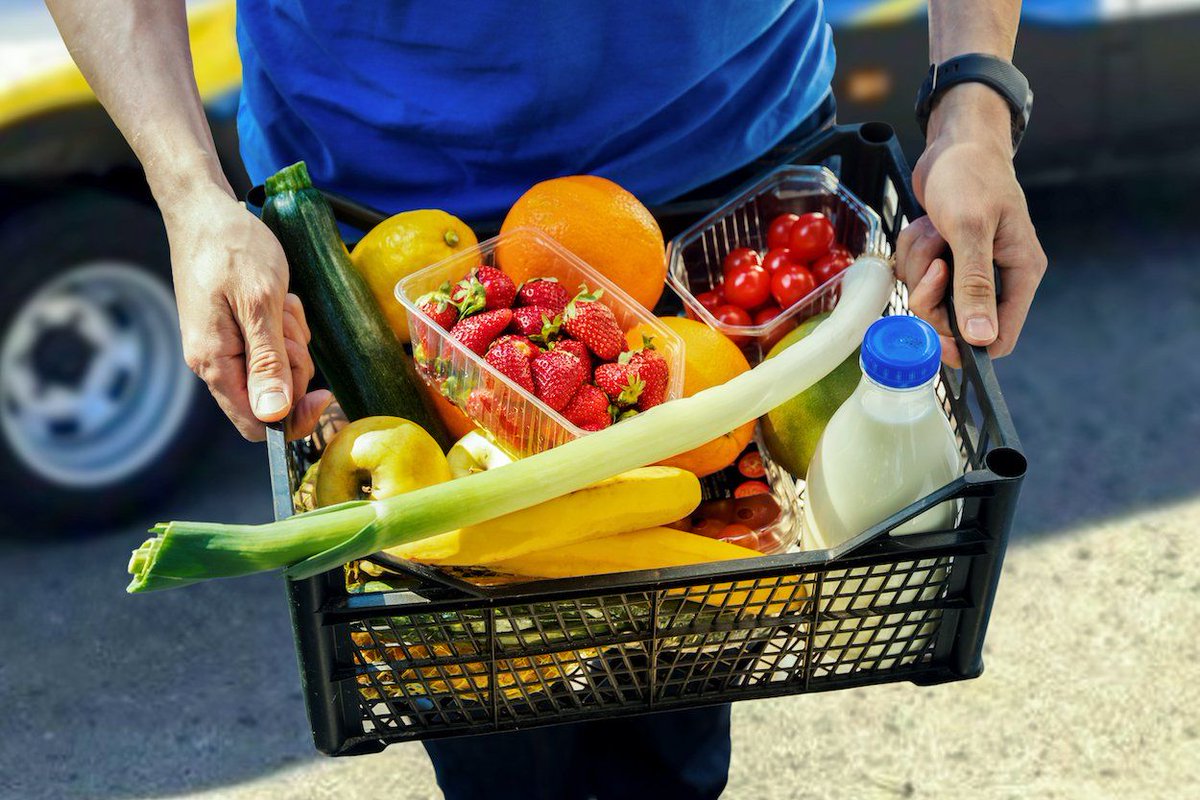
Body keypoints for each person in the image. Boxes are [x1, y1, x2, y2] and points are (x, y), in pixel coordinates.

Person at [47, 1, 1046, 797]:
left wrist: (975, 105)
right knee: (490, 717)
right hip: (380, 209)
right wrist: (189, 195)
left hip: (724, 181)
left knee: (682, 681)